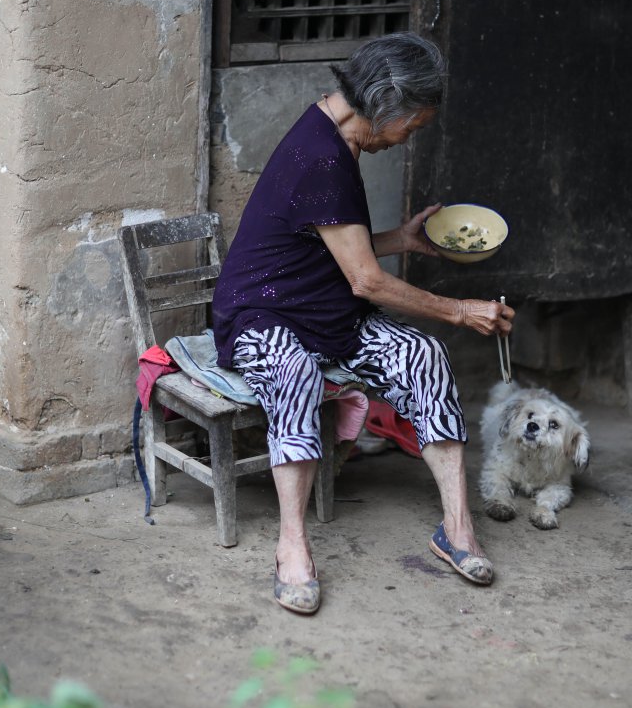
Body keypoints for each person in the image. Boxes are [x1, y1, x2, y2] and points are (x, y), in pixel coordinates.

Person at [212, 32, 514, 613]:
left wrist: (401, 239)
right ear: (387, 105)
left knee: (423, 356)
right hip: (260, 312)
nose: (410, 137)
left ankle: (457, 529)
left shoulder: (335, 133)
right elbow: (366, 281)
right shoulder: (323, 157)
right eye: (414, 125)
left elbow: (332, 246)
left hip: (321, 305)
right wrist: (459, 310)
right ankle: (291, 547)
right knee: (293, 372)